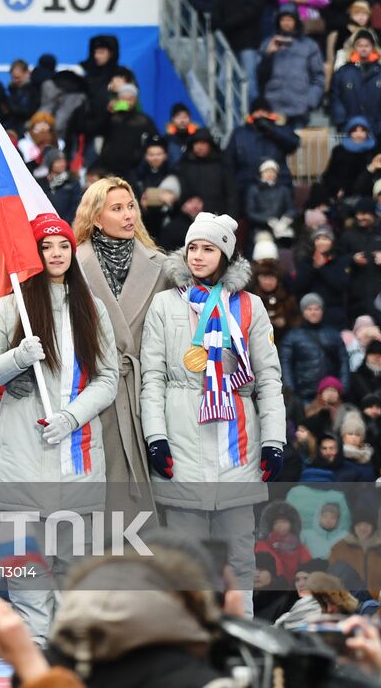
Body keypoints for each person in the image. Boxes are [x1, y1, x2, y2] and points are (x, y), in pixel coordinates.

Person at [0, 214, 118, 641]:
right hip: (20, 467)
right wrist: (17, 357)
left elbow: (108, 378)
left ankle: (66, 662)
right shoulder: (11, 305)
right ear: (33, 254)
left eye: (63, 246)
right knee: (27, 580)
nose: (56, 253)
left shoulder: (91, 307)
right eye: (47, 246)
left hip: (78, 464)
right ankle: (34, 658)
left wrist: (72, 416)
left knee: (73, 579)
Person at [140, 212, 285, 615]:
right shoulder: (165, 304)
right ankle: (190, 644)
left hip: (237, 444)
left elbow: (269, 379)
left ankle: (240, 638)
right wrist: (156, 437)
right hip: (183, 441)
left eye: (208, 248)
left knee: (239, 559)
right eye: (192, 248)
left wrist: (274, 440)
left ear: (225, 255)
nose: (198, 256)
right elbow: (152, 378)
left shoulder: (250, 306)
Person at [73, 178, 169, 525]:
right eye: (117, 209)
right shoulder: (70, 266)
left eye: (131, 206)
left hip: (146, 390)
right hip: (93, 391)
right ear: (96, 218)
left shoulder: (162, 266)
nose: (128, 215)